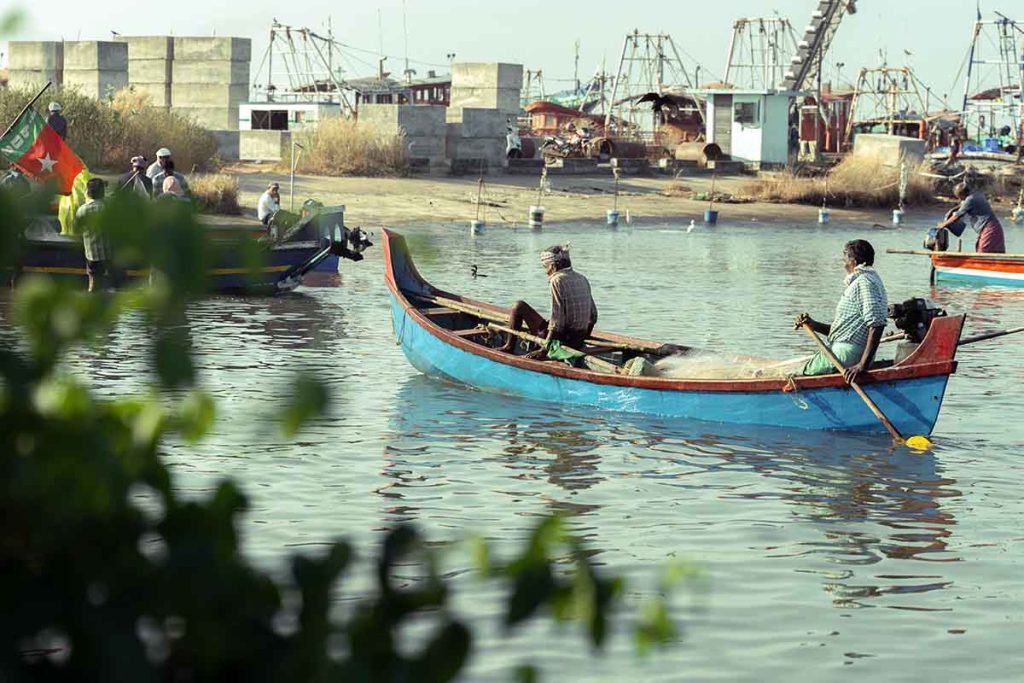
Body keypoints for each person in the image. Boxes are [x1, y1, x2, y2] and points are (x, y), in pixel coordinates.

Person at [794, 239, 888, 384]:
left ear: (854, 262)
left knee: (801, 374)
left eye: (845, 259)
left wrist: (861, 366)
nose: (843, 264)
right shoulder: (867, 280)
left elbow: (877, 324)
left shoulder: (865, 282)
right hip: (846, 351)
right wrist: (814, 325)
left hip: (847, 355)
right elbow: (846, 333)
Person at [500, 245, 598, 358]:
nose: (546, 271)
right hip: (577, 338)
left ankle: (509, 347)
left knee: (518, 306)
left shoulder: (557, 280)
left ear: (552, 266)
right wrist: (583, 339)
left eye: (545, 267)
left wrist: (544, 349)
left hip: (562, 338)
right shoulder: (582, 278)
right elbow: (593, 316)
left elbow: (557, 322)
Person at [935, 182, 1005, 253]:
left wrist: (943, 225)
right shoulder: (976, 195)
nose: (960, 200)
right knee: (982, 249)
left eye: (959, 197)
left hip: (989, 229)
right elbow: (963, 205)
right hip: (992, 228)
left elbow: (957, 216)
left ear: (962, 194)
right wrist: (952, 210)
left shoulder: (970, 199)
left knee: (983, 252)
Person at [75, 178, 111, 292]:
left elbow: (78, 229)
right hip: (109, 254)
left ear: (88, 192)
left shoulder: (82, 210)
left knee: (93, 284)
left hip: (92, 254)